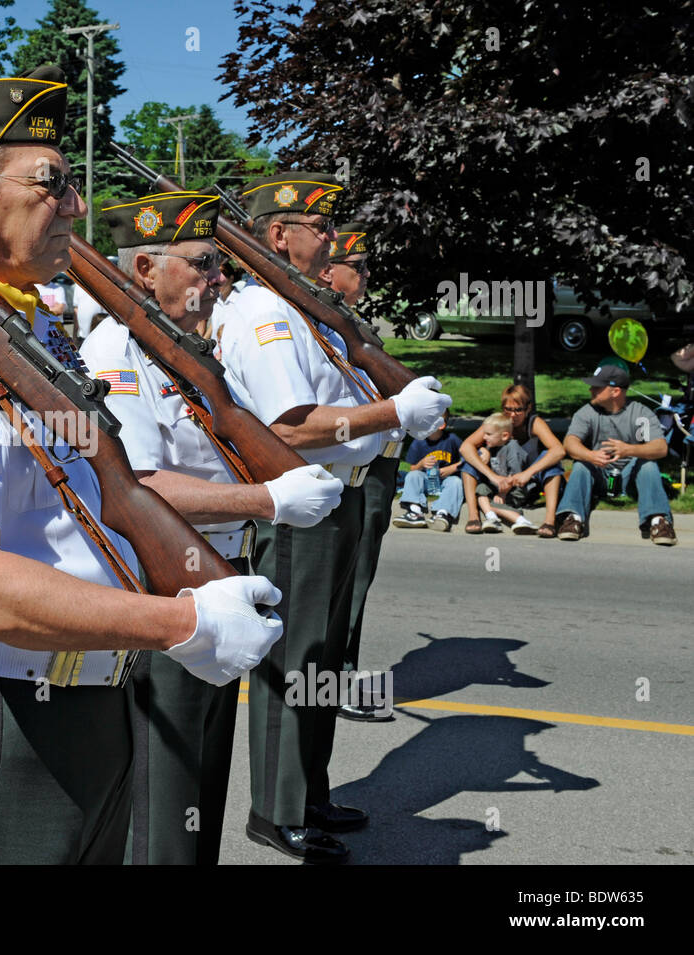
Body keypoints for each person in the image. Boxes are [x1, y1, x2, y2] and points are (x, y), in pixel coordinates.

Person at [0, 65, 284, 865]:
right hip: (10, 710)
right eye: (53, 182)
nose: (78, 207)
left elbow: (107, 489)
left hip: (90, 692)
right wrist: (181, 623)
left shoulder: (35, 336)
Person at [79, 190, 342, 864]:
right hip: (171, 588)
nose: (217, 277)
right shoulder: (118, 351)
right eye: (201, 263)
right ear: (145, 271)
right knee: (163, 804)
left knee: (201, 784)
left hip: (220, 575)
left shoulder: (190, 349)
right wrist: (268, 500)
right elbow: (140, 484)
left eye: (218, 264)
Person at [220, 171, 451, 862]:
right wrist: (392, 412)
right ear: (277, 236)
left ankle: (309, 791)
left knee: (323, 656)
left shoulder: (307, 307)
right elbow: (289, 425)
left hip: (342, 497)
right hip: (303, 502)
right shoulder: (264, 314)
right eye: (317, 226)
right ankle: (277, 808)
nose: (331, 236)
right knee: (296, 659)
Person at [317, 223, 408, 722]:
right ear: (331, 271)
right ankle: (338, 676)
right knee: (344, 581)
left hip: (378, 460)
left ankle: (337, 672)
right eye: (359, 266)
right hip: (355, 466)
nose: (368, 274)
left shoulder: (349, 322)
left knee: (360, 572)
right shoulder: (324, 322)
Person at [555, 362, 676, 544]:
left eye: (597, 387)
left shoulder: (640, 413)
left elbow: (660, 447)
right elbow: (569, 443)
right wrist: (591, 456)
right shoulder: (587, 412)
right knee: (580, 464)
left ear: (615, 391)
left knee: (648, 464)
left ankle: (659, 522)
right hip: (598, 473)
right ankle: (573, 519)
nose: (591, 390)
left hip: (631, 477)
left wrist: (629, 449)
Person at [459, 382, 565, 537]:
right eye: (508, 409)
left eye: (518, 410)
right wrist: (491, 474)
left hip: (527, 483)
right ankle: (473, 517)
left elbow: (558, 450)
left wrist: (528, 473)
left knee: (551, 461)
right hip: (498, 478)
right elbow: (465, 447)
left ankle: (549, 521)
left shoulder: (534, 423)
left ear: (528, 408)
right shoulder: (498, 423)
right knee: (470, 461)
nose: (513, 415)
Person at [392, 411, 464, 530]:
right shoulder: (419, 441)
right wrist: (421, 464)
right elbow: (412, 468)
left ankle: (442, 513)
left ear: (441, 425)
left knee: (456, 481)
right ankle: (415, 511)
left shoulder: (452, 439)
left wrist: (452, 468)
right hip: (426, 481)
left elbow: (466, 458)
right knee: (414, 475)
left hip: (446, 480)